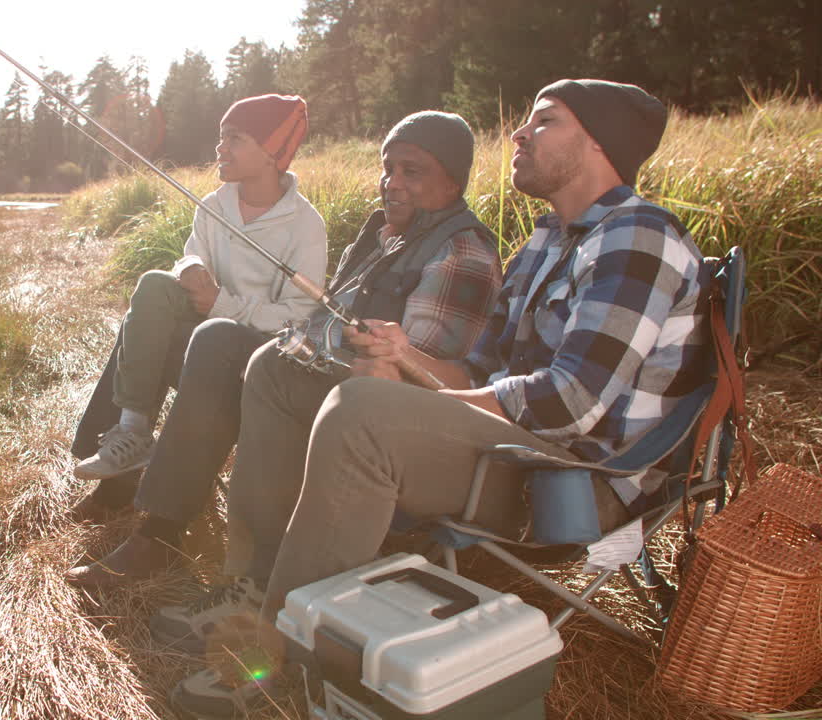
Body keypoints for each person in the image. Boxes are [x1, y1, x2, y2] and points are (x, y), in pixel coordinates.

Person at [166, 79, 710, 719]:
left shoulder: (636, 238)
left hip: (575, 479)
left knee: (363, 412)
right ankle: (253, 583)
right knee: (282, 371)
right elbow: (477, 367)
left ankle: (282, 657)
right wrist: (403, 359)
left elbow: (570, 403)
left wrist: (411, 404)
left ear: (596, 145)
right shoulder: (547, 241)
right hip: (517, 447)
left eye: (545, 121)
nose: (519, 133)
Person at [68, 111, 503, 591]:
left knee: (218, 344)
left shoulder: (460, 253)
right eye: (388, 168)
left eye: (412, 171)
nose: (391, 183)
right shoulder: (385, 235)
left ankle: (162, 535)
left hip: (361, 411)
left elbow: (417, 384)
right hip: (309, 369)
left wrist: (272, 333)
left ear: (453, 180)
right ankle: (121, 479)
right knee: (152, 320)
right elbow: (321, 320)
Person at [67, 93, 326, 523]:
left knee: (140, 339)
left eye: (235, 138)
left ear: (271, 153)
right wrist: (190, 268)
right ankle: (131, 435)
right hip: (200, 329)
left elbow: (300, 317)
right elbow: (191, 257)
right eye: (220, 137)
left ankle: (120, 484)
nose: (220, 148)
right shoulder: (214, 205)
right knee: (152, 293)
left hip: (248, 357)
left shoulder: (305, 225)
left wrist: (222, 304)